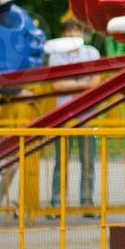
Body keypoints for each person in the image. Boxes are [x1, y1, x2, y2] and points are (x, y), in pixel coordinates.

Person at [47, 19, 102, 208]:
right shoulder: (56, 54)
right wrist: (83, 85)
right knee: (61, 161)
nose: (73, 34)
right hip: (64, 115)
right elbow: (57, 85)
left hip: (86, 115)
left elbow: (96, 83)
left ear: (81, 32)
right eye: (69, 30)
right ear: (63, 34)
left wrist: (71, 85)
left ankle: (87, 201)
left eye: (76, 30)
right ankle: (57, 202)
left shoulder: (91, 53)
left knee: (88, 161)